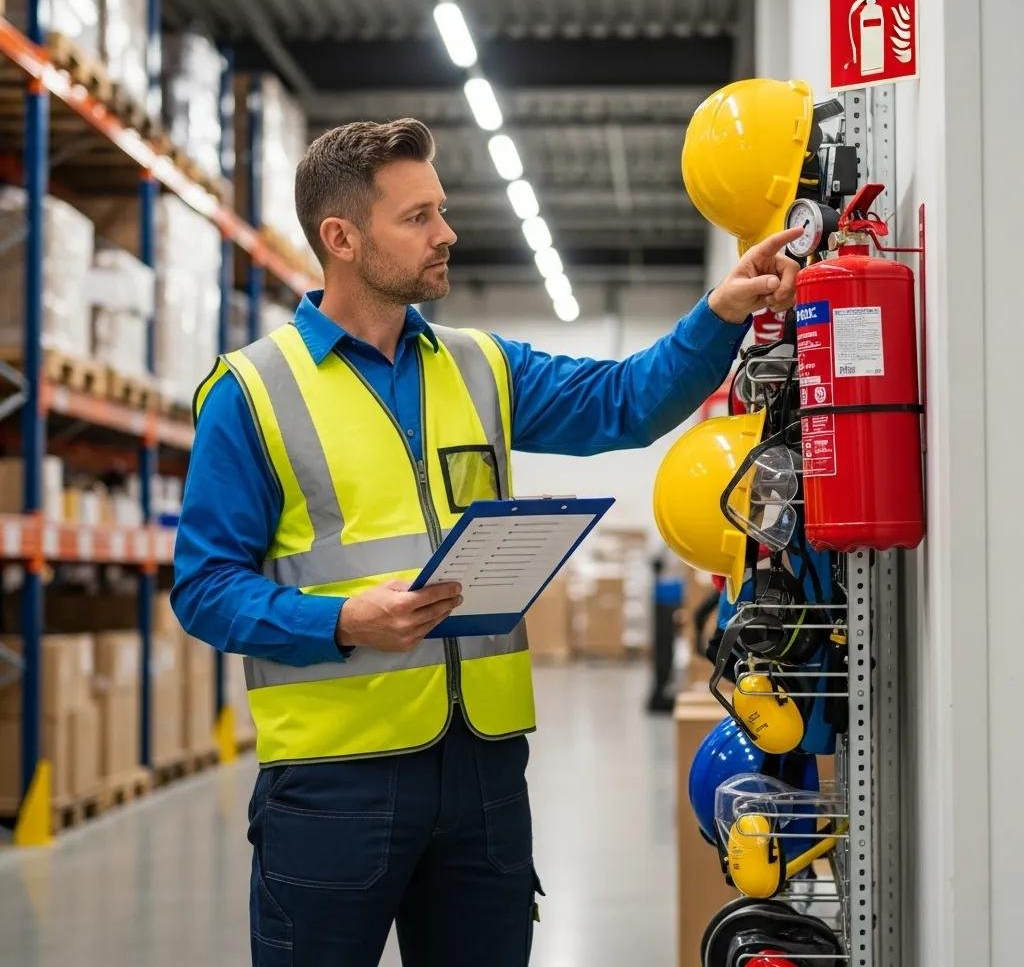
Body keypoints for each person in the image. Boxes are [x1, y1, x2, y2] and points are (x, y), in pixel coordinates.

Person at [171, 118, 800, 967]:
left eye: (443, 209)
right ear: (342, 238)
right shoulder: (252, 391)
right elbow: (204, 587)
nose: (448, 233)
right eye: (419, 216)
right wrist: (344, 619)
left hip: (485, 774)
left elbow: (625, 402)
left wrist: (720, 313)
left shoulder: (480, 365)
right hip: (334, 784)